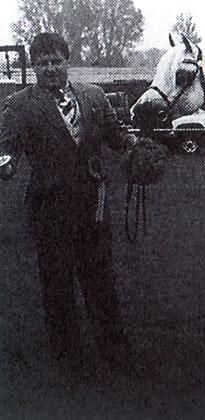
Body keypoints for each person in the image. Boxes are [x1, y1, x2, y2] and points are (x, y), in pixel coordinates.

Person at [0, 33, 138, 376]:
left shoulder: (94, 96)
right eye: (43, 63)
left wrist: (136, 145)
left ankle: (114, 351)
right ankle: (68, 358)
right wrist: (5, 164)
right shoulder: (18, 105)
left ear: (67, 62)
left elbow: (115, 136)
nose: (50, 68)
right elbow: (6, 149)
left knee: (101, 280)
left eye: (56, 61)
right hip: (50, 208)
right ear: (34, 67)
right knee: (57, 285)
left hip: (94, 205)